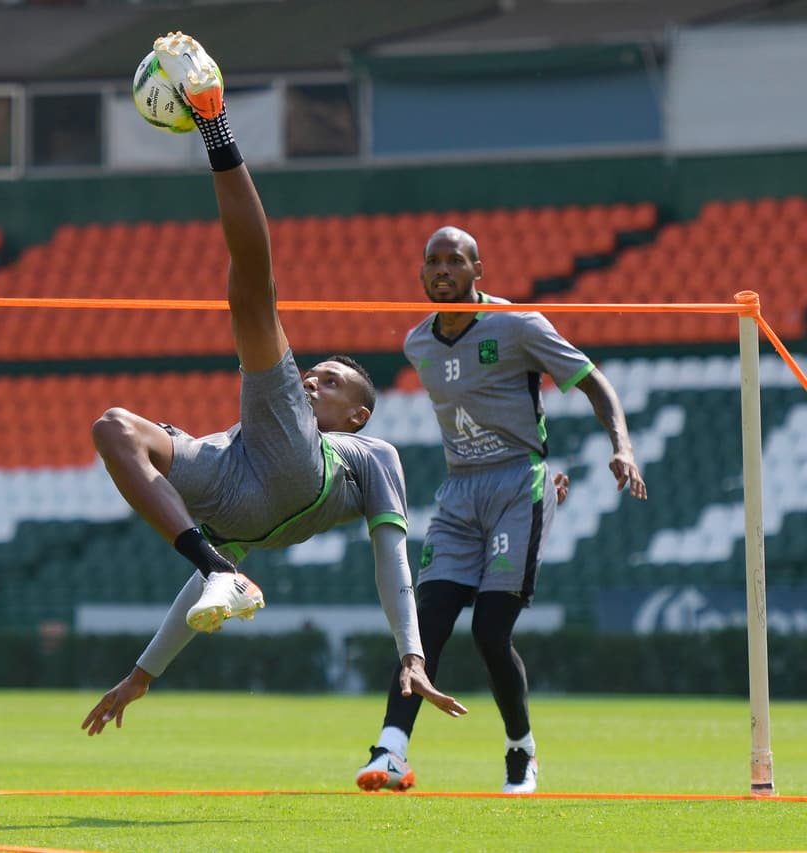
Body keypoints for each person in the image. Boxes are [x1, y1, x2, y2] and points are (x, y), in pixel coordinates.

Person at [79, 34, 468, 787]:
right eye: (312, 375)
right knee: (112, 428)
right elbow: (198, 599)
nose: (314, 380)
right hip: (232, 485)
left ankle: (215, 125)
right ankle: (218, 565)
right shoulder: (273, 429)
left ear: (358, 416)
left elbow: (392, 559)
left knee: (252, 296)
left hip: (296, 470)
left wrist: (412, 653)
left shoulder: (370, 454)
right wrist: (143, 673)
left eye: (332, 382)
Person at [369, 225, 649, 794]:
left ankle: (521, 749)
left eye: (455, 260)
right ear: (421, 273)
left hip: (519, 484)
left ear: (478, 270)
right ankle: (390, 751)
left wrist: (621, 446)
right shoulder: (417, 342)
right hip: (458, 492)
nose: (442, 270)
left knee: (490, 631)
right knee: (424, 625)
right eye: (433, 261)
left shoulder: (518, 325)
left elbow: (593, 381)